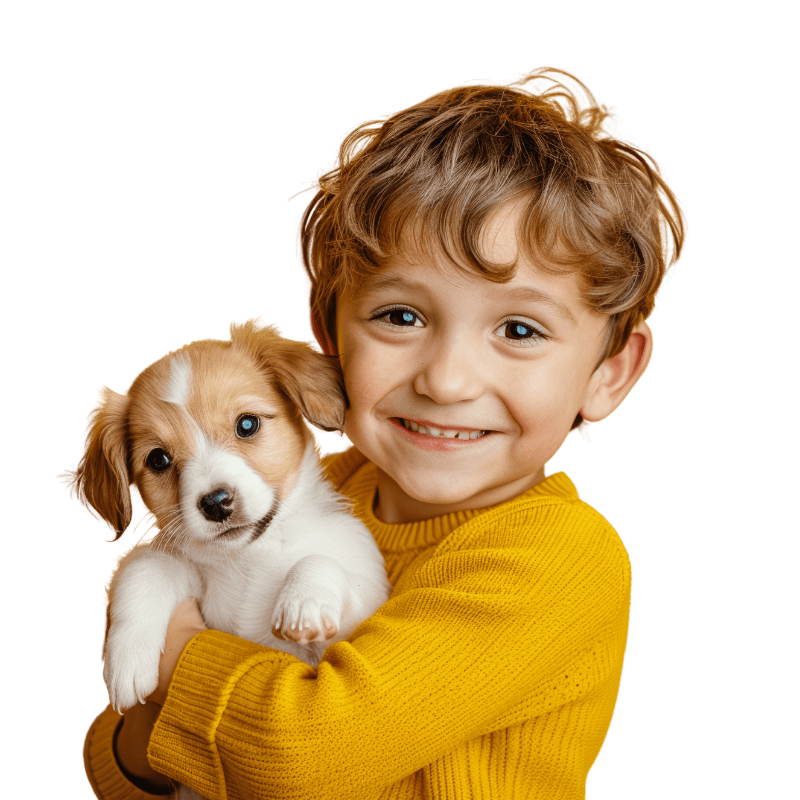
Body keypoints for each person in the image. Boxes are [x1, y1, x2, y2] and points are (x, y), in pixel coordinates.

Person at [82, 66, 688, 799]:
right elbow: (120, 757)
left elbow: (305, 754)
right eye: (401, 316)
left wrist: (176, 654)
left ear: (609, 373)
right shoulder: (315, 490)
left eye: (520, 329)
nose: (447, 381)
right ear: (328, 335)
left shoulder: (557, 557)